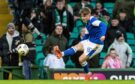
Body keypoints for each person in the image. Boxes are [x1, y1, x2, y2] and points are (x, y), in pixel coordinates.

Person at [54, 7, 107, 80]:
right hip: (90, 41)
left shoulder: (93, 20)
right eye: (82, 16)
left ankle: (88, 73)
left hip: (97, 44)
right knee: (77, 46)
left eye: (84, 16)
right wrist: (82, 42)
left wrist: (103, 35)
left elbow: (103, 25)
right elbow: (87, 35)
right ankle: (61, 54)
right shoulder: (88, 23)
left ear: (89, 15)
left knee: (81, 59)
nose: (82, 18)